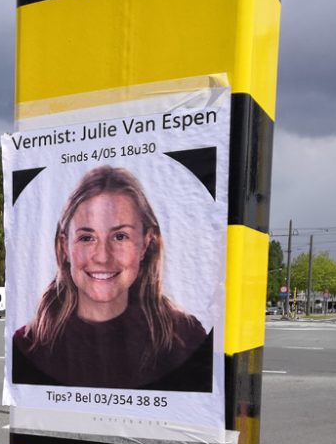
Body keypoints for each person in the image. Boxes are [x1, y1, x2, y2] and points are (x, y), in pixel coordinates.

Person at [12, 165, 212, 392]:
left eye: (120, 236)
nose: (103, 257)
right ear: (64, 246)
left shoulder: (185, 337)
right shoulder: (29, 345)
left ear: (146, 242)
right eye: (87, 237)